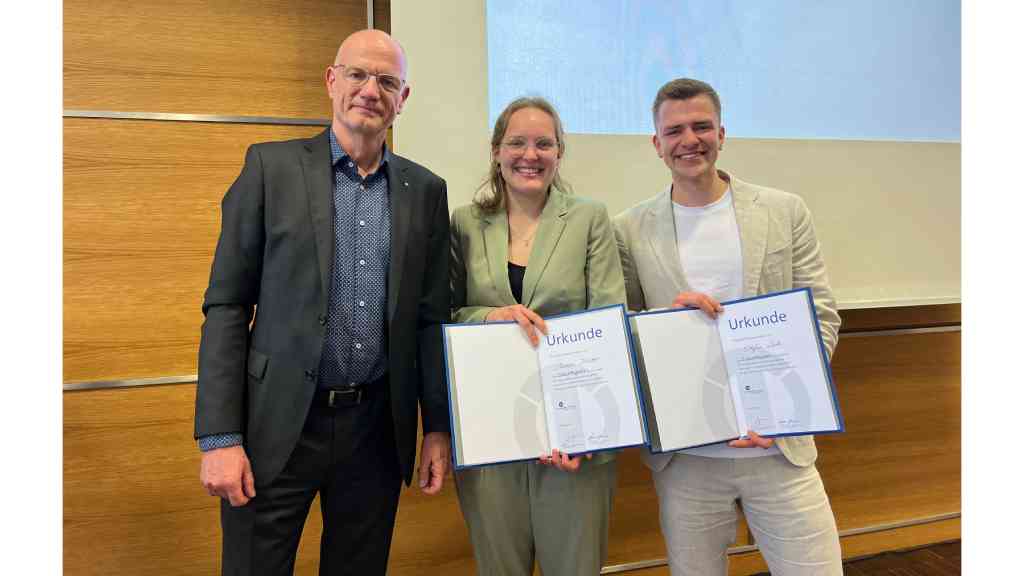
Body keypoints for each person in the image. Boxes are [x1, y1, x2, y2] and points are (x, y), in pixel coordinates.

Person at [194, 29, 450, 576]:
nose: (370, 90)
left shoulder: (425, 191)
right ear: (332, 81)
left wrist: (438, 427)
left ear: (402, 99)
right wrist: (219, 437)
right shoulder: (269, 168)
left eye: (387, 81)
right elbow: (227, 306)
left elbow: (430, 321)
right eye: (357, 75)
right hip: (274, 428)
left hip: (376, 432)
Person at [614, 78, 843, 575]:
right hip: (687, 458)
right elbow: (625, 331)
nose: (689, 140)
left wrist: (785, 409)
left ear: (723, 132)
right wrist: (663, 324)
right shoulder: (628, 227)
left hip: (779, 448)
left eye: (702, 126)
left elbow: (821, 314)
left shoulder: (785, 211)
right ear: (657, 144)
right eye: (674, 130)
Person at [450, 97, 625, 576]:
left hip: (574, 439)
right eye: (517, 142)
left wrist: (587, 430)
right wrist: (489, 317)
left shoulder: (590, 218)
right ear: (496, 151)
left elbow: (609, 320)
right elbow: (444, 319)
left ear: (559, 152)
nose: (531, 154)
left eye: (544, 143)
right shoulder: (463, 223)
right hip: (491, 434)